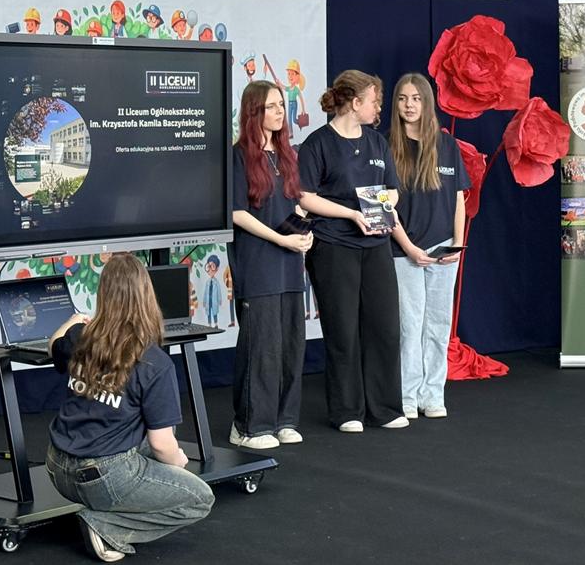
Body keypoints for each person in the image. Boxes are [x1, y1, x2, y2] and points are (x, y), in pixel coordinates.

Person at [45, 253, 214, 561]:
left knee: (147, 443)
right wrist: (178, 462)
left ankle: (107, 511)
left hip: (57, 468)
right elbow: (162, 444)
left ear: (103, 295)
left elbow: (53, 344)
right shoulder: (154, 363)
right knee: (200, 498)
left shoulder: (80, 337)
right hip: (101, 478)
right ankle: (106, 525)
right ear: (147, 296)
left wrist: (73, 321)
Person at [297, 70, 407, 433]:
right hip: (334, 245)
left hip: (375, 244)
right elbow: (306, 197)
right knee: (343, 329)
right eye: (374, 101)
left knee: (385, 326)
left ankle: (385, 407)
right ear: (355, 102)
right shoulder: (318, 144)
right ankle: (347, 411)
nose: (379, 108)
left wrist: (381, 206)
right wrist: (351, 214)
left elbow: (392, 189)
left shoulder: (377, 142)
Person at [228, 81, 312, 450]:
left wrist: (304, 233)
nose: (280, 112)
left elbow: (296, 205)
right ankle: (249, 426)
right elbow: (237, 213)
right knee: (260, 347)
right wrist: (280, 239)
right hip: (258, 265)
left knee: (291, 345)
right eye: (272, 106)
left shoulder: (286, 155)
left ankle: (284, 420)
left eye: (281, 105)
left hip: (290, 264)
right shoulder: (237, 157)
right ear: (254, 112)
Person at [387, 73, 469, 419]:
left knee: (437, 325)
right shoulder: (387, 146)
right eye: (403, 98)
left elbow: (459, 198)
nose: (409, 105)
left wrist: (457, 244)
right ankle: (406, 396)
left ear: (427, 102)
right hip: (403, 251)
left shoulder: (446, 145)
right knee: (410, 326)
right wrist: (408, 247)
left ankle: (432, 394)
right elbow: (382, 207)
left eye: (416, 98)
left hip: (444, 250)